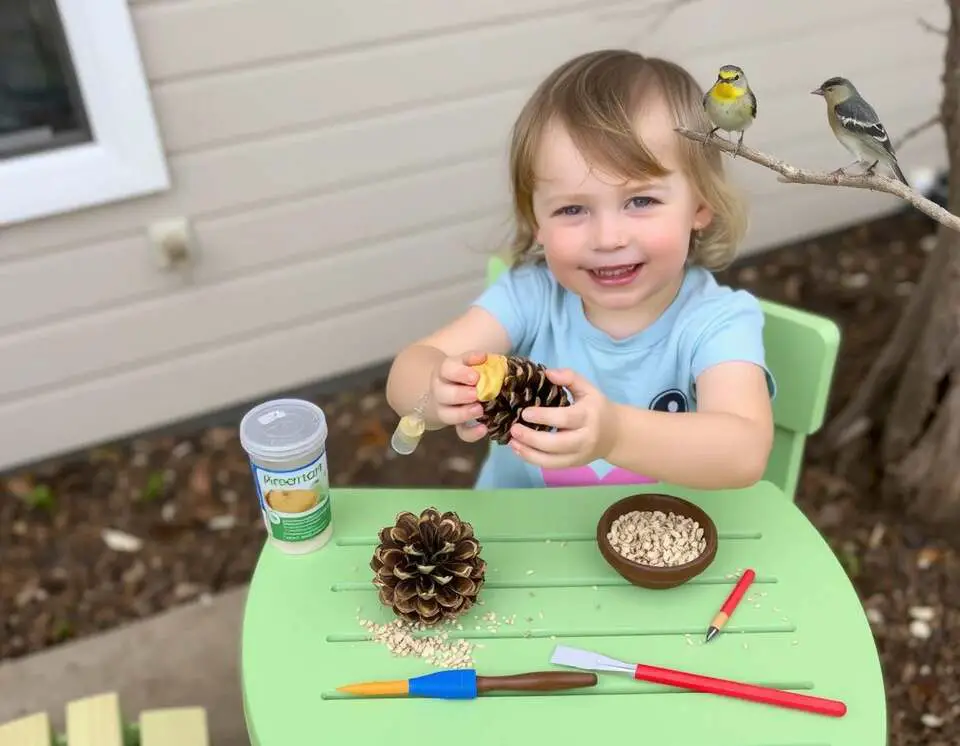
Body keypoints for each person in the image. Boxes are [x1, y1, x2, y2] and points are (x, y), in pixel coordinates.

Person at [385, 49, 776, 490]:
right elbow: (407, 373)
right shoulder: (532, 296)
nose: (608, 238)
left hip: (661, 549)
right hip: (523, 541)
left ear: (700, 206)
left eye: (641, 201)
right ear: (537, 224)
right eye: (573, 208)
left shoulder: (715, 322)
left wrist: (616, 434)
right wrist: (436, 392)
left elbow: (744, 453)